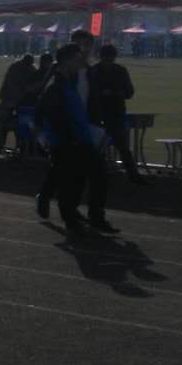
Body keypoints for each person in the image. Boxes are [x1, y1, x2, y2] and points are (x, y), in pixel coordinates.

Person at [38, 43, 115, 235]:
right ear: (67, 60)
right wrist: (65, 138)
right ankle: (72, 220)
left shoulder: (68, 81)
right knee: (72, 181)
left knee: (89, 177)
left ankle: (87, 218)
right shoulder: (56, 85)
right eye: (77, 58)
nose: (81, 61)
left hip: (80, 138)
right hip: (69, 141)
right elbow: (51, 115)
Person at [90, 45, 147, 184]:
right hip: (105, 113)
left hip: (111, 113)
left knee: (119, 146)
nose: (108, 61)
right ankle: (129, 175)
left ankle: (128, 175)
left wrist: (113, 93)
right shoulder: (105, 71)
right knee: (115, 147)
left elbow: (129, 92)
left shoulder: (97, 71)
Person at [0, 54, 38, 157]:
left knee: (5, 124)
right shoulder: (24, 69)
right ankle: (4, 148)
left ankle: (1, 149)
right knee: (4, 124)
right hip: (12, 99)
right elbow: (22, 87)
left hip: (13, 100)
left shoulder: (17, 67)